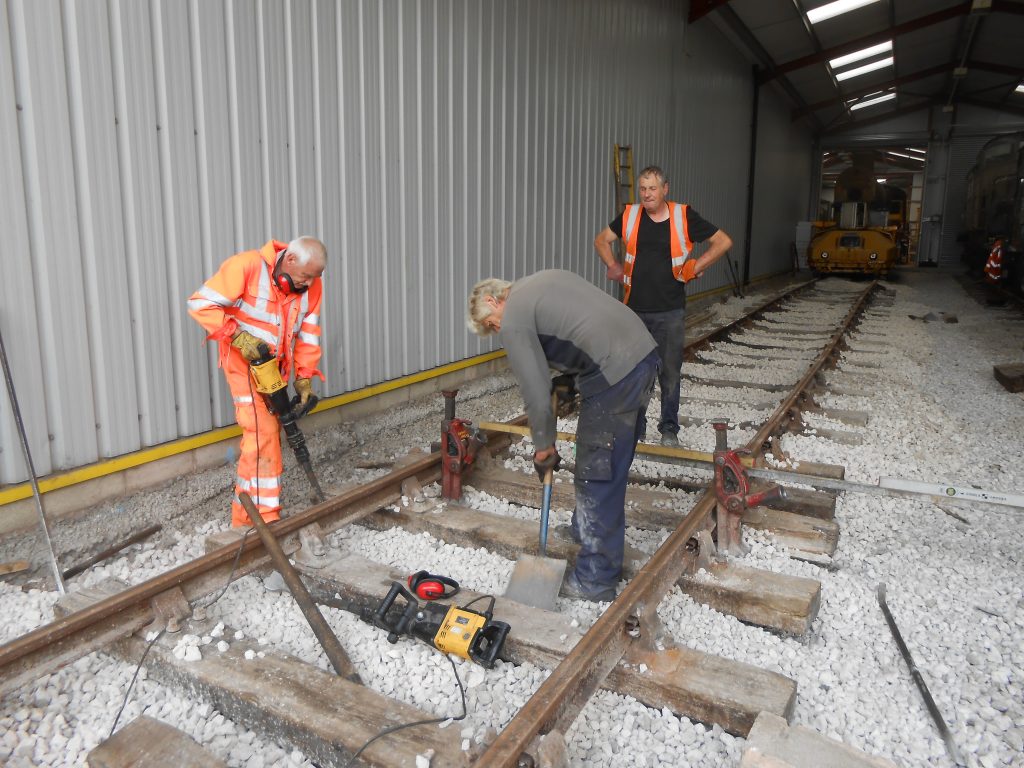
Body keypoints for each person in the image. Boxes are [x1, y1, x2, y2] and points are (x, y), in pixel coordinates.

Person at [467, 270, 658, 603]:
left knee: (598, 470)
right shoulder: (539, 282)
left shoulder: (513, 317)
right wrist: (568, 381)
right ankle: (584, 529)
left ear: (491, 300)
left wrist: (543, 447)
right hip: (641, 354)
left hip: (615, 371)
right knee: (608, 459)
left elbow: (536, 395)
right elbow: (577, 328)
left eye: (492, 325)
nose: (498, 331)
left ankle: (595, 580)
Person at [188, 237, 326, 528]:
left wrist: (304, 379)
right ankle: (256, 521)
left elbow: (308, 335)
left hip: (275, 368)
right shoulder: (247, 266)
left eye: (314, 278)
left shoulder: (311, 285)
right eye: (304, 277)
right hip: (243, 363)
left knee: (269, 433)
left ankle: (255, 513)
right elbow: (200, 303)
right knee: (262, 434)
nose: (307, 285)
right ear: (289, 260)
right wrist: (236, 336)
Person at [594, 165, 733, 447]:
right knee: (636, 372)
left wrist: (696, 266)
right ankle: (637, 428)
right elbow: (601, 241)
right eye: (643, 189)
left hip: (669, 310)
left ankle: (669, 428)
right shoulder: (631, 215)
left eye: (652, 188)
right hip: (634, 310)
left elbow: (723, 241)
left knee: (669, 372)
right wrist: (613, 266)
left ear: (665, 189)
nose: (647, 194)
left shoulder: (683, 216)